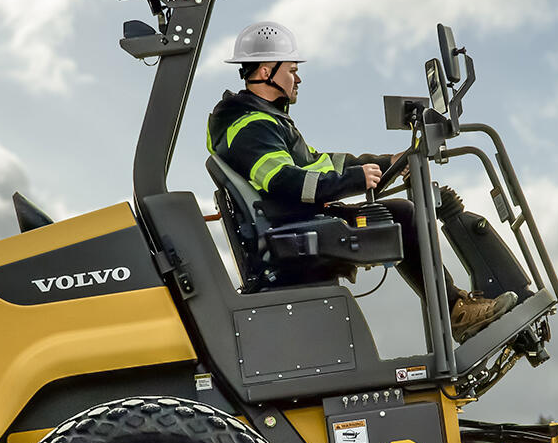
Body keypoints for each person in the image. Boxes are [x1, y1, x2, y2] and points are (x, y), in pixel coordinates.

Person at [207, 20, 516, 341]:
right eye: (292, 70)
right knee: (403, 215)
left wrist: (386, 163)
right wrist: (356, 179)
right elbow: (286, 182)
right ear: (265, 71)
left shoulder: (266, 120)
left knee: (400, 212)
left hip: (295, 225)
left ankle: (454, 309)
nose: (298, 78)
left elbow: (321, 163)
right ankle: (456, 312)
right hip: (294, 234)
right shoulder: (252, 127)